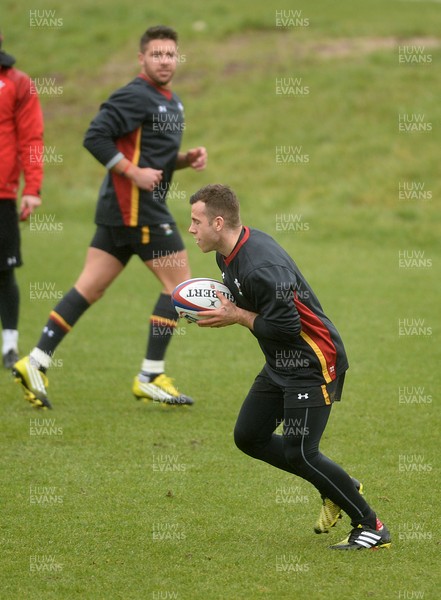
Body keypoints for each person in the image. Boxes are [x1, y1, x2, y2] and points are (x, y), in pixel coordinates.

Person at [188, 183, 391, 550]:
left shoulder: (261, 266)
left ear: (218, 223)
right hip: (280, 362)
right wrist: (215, 305)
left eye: (195, 221)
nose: (191, 229)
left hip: (312, 363)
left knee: (301, 451)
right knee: (249, 436)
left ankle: (371, 525)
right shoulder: (228, 255)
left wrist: (235, 316)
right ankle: (337, 485)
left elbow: (285, 327)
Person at [13, 25, 207, 409]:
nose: (164, 60)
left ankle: (35, 361)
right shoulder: (133, 95)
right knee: (179, 288)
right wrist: (133, 174)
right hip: (138, 210)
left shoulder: (173, 100)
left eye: (170, 54)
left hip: (119, 212)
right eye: (157, 54)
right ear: (142, 58)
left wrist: (183, 160)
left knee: (90, 288)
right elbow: (94, 136)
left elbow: (151, 155)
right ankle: (150, 374)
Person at [0, 32, 44, 369]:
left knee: (5, 271)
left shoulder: (18, 83)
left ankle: (9, 347)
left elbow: (31, 137)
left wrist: (32, 188)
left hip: (3, 196)